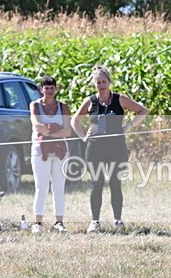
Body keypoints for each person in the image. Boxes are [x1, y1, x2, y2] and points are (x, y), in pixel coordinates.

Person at [71, 64, 148, 233]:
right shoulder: (90, 101)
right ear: (94, 84)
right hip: (95, 148)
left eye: (104, 81)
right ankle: (95, 221)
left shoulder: (120, 99)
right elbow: (74, 120)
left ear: (109, 82)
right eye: (98, 82)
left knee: (115, 183)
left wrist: (128, 126)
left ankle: (118, 220)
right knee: (96, 184)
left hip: (116, 147)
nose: (101, 85)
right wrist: (83, 137)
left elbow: (143, 111)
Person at [29, 76, 71, 234]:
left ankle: (59, 222)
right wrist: (55, 130)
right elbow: (38, 126)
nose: (49, 90)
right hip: (40, 151)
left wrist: (50, 131)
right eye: (46, 88)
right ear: (41, 89)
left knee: (59, 187)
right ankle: (37, 222)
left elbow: (67, 130)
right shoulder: (35, 105)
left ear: (56, 89)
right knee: (41, 187)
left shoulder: (63, 107)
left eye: (52, 87)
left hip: (60, 151)